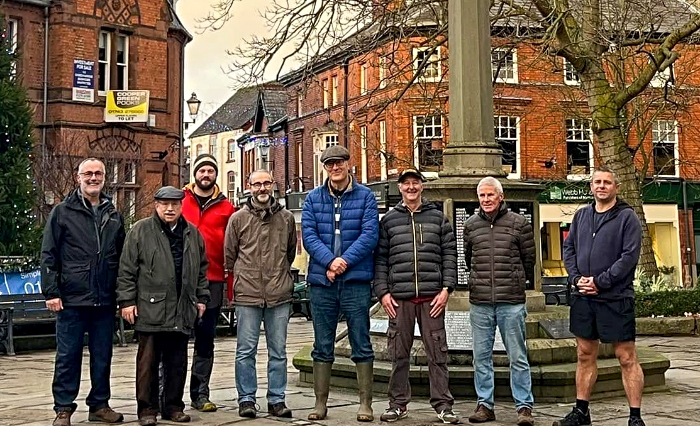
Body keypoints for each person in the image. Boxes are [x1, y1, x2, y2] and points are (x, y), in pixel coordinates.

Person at [556, 166, 645, 426]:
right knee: (584, 353)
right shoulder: (582, 215)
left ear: (616, 187)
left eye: (607, 182)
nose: (602, 186)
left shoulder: (628, 217)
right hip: (584, 297)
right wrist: (575, 279)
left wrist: (601, 282)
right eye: (597, 182)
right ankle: (581, 412)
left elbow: (628, 257)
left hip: (616, 297)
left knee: (626, 356)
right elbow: (569, 248)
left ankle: (635, 417)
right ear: (591, 186)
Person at [41, 158, 126, 426]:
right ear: (78, 177)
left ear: (104, 177)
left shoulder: (113, 214)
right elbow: (48, 254)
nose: (93, 178)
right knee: (68, 356)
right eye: (87, 173)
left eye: (98, 173)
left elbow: (122, 257)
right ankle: (63, 408)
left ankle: (99, 404)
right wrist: (51, 292)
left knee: (103, 356)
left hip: (104, 299)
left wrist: (122, 295)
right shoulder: (62, 212)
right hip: (71, 299)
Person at [117, 186, 210, 426]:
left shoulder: (192, 233)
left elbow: (201, 269)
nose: (170, 209)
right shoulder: (140, 231)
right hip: (150, 307)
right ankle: (147, 409)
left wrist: (201, 298)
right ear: (156, 205)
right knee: (147, 362)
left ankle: (173, 406)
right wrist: (127, 301)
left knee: (177, 361)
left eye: (175, 204)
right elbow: (127, 269)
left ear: (181, 206)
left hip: (182, 307)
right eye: (164, 204)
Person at [374, 169, 459, 424]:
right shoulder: (388, 221)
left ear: (422, 186)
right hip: (399, 299)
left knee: (437, 354)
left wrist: (447, 290)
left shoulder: (438, 219)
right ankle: (397, 404)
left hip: (433, 298)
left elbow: (450, 256)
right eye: (406, 184)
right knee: (399, 353)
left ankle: (443, 405)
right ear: (399, 188)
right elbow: (380, 260)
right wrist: (382, 293)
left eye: (415, 183)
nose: (411, 187)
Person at [301, 145, 379, 422]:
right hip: (323, 283)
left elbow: (369, 235)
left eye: (339, 163)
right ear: (324, 167)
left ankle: (365, 404)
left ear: (349, 164)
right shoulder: (312, 199)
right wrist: (330, 263)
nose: (335, 168)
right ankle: (320, 404)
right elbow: (309, 236)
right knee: (323, 343)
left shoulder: (366, 196)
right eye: (330, 163)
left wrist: (343, 262)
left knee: (361, 340)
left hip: (356, 281)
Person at [224, 170, 297, 419]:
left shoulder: (286, 218)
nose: (262, 188)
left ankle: (277, 399)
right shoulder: (237, 219)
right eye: (257, 184)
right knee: (246, 351)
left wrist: (280, 278)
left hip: (279, 294)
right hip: (248, 294)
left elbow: (290, 253)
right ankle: (246, 399)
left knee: (278, 352)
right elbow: (229, 256)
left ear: (273, 185)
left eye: (266, 183)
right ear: (249, 187)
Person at [463, 176, 535, 426]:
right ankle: (485, 405)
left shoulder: (519, 223)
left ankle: (524, 407)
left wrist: (515, 283)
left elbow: (529, 260)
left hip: (511, 301)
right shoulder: (471, 225)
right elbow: (469, 257)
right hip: (480, 301)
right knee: (481, 357)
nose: (486, 200)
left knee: (518, 356)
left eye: (490, 195)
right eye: (482, 196)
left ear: (501, 196)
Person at [182, 153, 236, 412]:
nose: (206, 175)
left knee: (205, 340)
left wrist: (230, 285)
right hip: (180, 282)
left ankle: (200, 393)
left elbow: (233, 247)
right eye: (201, 170)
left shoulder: (227, 208)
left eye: (210, 171)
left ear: (215, 175)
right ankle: (167, 393)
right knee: (175, 338)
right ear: (195, 174)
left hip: (213, 279)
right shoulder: (179, 200)